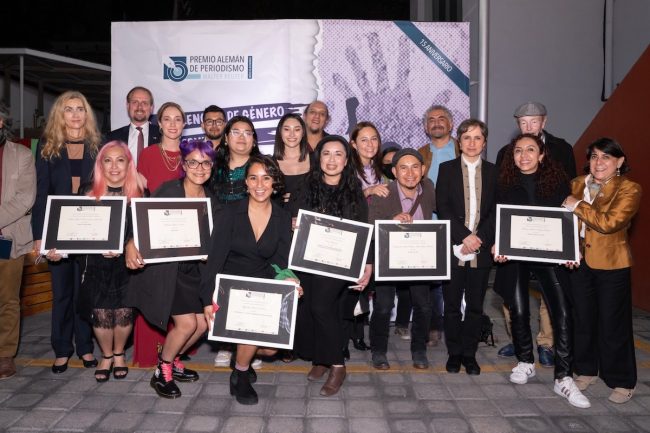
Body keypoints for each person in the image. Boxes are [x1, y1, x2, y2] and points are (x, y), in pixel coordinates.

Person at [494, 133, 589, 408]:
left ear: (542, 154)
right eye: (518, 151)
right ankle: (525, 361)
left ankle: (563, 377)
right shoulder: (504, 183)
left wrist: (572, 249)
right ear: (512, 156)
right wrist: (498, 243)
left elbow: (567, 220)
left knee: (562, 312)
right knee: (518, 309)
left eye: (530, 150)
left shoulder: (558, 182)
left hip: (550, 255)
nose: (524, 155)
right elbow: (497, 217)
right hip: (514, 255)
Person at [201, 155, 298, 405]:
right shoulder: (229, 213)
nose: (259, 185)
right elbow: (214, 259)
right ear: (246, 182)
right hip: (232, 288)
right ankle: (240, 374)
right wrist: (208, 299)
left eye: (266, 178)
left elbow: (281, 260)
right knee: (251, 334)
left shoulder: (282, 216)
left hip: (263, 286)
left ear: (274, 182)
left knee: (271, 350)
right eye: (253, 178)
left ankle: (240, 358)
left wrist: (289, 280)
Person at [126, 139, 216, 398]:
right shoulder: (169, 190)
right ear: (183, 165)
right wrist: (130, 243)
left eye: (206, 163)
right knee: (187, 324)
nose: (199, 168)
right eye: (193, 162)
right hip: (169, 271)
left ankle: (173, 360)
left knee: (202, 325)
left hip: (196, 271)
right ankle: (162, 370)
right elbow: (141, 219)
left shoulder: (212, 199)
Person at [495, 101, 576, 366]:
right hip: (515, 243)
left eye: (534, 121)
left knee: (550, 300)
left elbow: (568, 200)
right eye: (523, 122)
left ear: (544, 122)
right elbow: (499, 206)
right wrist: (499, 242)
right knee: (514, 300)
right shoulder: (506, 155)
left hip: (548, 241)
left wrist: (570, 246)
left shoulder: (562, 150)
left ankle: (546, 343)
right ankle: (520, 344)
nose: (529, 126)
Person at [562, 138, 641, 404]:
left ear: (619, 161)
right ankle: (585, 370)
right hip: (578, 263)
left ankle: (622, 380)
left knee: (613, 324)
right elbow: (563, 223)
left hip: (612, 264)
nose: (599, 162)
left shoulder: (630, 188)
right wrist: (568, 250)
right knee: (582, 319)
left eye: (606, 157)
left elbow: (609, 223)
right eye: (594, 156)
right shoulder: (576, 183)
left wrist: (577, 205)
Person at [294, 135, 372, 396]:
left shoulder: (354, 190)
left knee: (321, 307)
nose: (331, 159)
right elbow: (294, 217)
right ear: (319, 158)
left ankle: (337, 365)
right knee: (310, 309)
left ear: (346, 160)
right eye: (326, 153)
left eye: (338, 154)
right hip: (309, 260)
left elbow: (364, 229)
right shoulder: (306, 186)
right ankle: (321, 359)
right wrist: (294, 223)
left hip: (340, 263)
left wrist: (367, 264)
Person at [32, 90, 100, 373]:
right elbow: (41, 194)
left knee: (84, 293)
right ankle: (61, 349)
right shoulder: (47, 146)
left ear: (87, 114)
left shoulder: (97, 146)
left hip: (88, 228)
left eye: (80, 109)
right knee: (61, 292)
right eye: (69, 109)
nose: (75, 114)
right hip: (57, 229)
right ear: (60, 114)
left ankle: (85, 347)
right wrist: (40, 236)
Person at [77, 141, 143, 382]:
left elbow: (144, 230)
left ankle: (119, 353)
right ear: (100, 165)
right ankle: (106, 354)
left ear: (129, 164)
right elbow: (77, 227)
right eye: (108, 160)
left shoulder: (139, 192)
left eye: (120, 160)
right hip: (95, 263)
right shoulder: (86, 191)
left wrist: (128, 243)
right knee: (101, 313)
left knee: (124, 312)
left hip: (127, 264)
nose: (114, 166)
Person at [436, 119, 497, 375]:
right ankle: (454, 352)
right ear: (459, 142)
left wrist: (478, 238)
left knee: (475, 306)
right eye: (467, 138)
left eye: (477, 138)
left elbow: (495, 211)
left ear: (484, 142)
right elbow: (443, 207)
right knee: (451, 306)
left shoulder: (494, 171)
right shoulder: (447, 169)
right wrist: (464, 237)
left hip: (481, 249)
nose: (472, 143)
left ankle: (469, 354)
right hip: (455, 247)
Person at [368, 148, 435, 370]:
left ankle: (419, 350)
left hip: (419, 257)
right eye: (403, 168)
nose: (410, 173)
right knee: (384, 305)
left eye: (415, 167)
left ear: (423, 170)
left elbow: (444, 213)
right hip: (389, 257)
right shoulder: (383, 193)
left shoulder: (429, 189)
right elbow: (369, 226)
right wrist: (391, 221)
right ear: (394, 172)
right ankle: (378, 350)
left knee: (423, 305)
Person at [132, 101, 187, 367]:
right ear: (160, 124)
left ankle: (175, 353)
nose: (173, 124)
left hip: (184, 233)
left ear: (184, 124)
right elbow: (139, 196)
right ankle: (150, 351)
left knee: (179, 293)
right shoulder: (148, 154)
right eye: (167, 119)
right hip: (155, 232)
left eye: (178, 119)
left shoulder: (191, 154)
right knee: (155, 291)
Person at [417, 105, 459, 347]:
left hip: (458, 226)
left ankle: (455, 326)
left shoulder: (463, 150)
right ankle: (434, 326)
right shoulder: (420, 154)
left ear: (451, 124)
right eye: (431, 119)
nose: (436, 122)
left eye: (442, 118)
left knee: (454, 280)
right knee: (432, 282)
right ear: (425, 127)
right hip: (428, 226)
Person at [0, 103, 36, 379]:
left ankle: (4, 355)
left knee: (7, 300)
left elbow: (25, 198)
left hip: (8, 237)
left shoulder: (22, 155)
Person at [209, 116, 261, 204]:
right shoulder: (213, 167)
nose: (242, 137)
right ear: (226, 138)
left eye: (247, 133)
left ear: (253, 140)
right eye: (236, 132)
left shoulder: (264, 166)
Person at [105, 86, 159, 166]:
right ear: (128, 106)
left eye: (144, 103)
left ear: (151, 108)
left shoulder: (162, 136)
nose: (139, 107)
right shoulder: (112, 138)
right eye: (135, 102)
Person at [273, 112, 311, 219]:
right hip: (282, 222)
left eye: (297, 129)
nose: (292, 134)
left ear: (303, 133)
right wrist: (278, 197)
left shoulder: (316, 160)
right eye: (287, 129)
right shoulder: (270, 164)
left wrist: (297, 197)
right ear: (280, 132)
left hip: (312, 222)